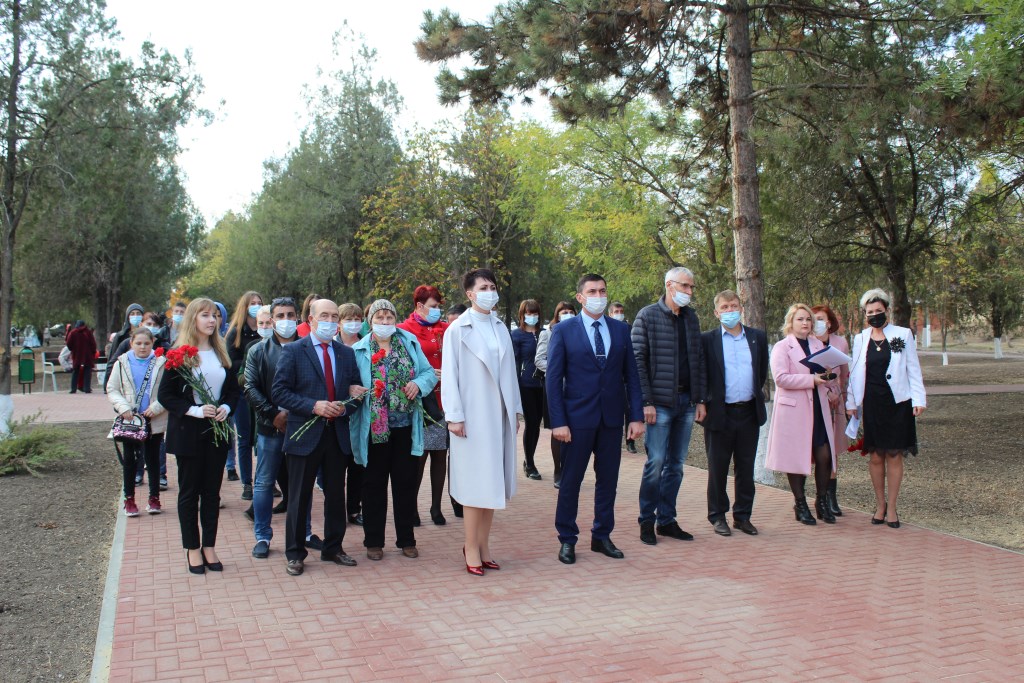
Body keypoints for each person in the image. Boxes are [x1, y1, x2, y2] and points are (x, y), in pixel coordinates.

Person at [547, 274, 644, 565]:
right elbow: (553, 380)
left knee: (608, 481)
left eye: (602, 291)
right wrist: (558, 422)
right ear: (580, 297)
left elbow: (632, 376)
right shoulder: (564, 331)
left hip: (611, 419)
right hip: (576, 420)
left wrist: (636, 416)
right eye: (592, 291)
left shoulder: (621, 329)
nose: (598, 296)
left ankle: (602, 535)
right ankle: (567, 538)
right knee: (571, 482)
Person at [272, 298, 365, 576]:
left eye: (334, 316)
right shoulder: (294, 351)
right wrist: (314, 406)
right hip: (304, 434)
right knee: (299, 497)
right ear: (311, 320)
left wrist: (347, 404)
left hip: (336, 434)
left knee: (336, 495)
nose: (330, 321)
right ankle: (295, 553)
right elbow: (279, 392)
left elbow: (355, 392)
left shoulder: (346, 353)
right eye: (324, 316)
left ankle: (333, 548)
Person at [442, 270, 522, 575]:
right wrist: (454, 416)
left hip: (499, 415)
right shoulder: (457, 329)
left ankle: (484, 545)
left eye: (493, 287)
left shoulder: (500, 327)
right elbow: (450, 375)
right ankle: (470, 546)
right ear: (470, 294)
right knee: (475, 486)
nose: (490, 292)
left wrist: (515, 411)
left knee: (493, 484)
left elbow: (510, 372)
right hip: (471, 417)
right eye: (483, 287)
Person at [157, 298, 240, 574]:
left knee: (212, 493)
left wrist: (226, 408)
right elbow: (166, 395)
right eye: (205, 315)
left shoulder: (221, 352)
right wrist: (194, 410)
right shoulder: (179, 354)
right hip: (189, 432)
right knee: (190, 492)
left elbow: (233, 391)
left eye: (214, 315)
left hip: (217, 431)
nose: (211, 320)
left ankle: (209, 546)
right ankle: (192, 548)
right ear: (193, 318)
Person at [351, 299, 438, 561]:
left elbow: (428, 373)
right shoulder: (359, 349)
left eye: (389, 317)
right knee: (373, 485)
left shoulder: (409, 342)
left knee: (405, 483)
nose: (385, 322)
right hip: (374, 428)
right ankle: (373, 541)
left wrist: (418, 384)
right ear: (370, 321)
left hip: (405, 426)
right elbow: (349, 381)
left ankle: (406, 539)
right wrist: (352, 389)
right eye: (380, 318)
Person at [631, 267, 707, 545]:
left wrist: (700, 399)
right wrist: (646, 402)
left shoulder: (691, 318)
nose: (689, 291)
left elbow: (698, 360)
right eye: (684, 286)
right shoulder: (647, 316)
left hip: (686, 403)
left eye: (691, 287)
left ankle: (666, 520)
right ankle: (646, 520)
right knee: (656, 463)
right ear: (669, 285)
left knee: (676, 465)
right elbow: (637, 362)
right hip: (659, 404)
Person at [245, 298, 318, 558]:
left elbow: (315, 385)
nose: (285, 320)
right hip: (270, 427)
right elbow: (251, 387)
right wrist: (273, 414)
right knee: (264, 483)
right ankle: (262, 536)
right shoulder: (258, 351)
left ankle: (305, 532)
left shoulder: (309, 347)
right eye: (280, 315)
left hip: (302, 426)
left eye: (290, 315)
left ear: (297, 317)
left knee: (303, 483)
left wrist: (300, 412)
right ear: (272, 320)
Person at [846, 289, 926, 529]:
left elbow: (913, 369)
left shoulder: (902, 334)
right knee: (875, 455)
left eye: (878, 311)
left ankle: (892, 507)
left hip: (898, 403)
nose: (874, 315)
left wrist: (918, 399)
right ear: (864, 314)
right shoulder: (860, 339)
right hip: (872, 403)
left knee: (894, 454)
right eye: (869, 312)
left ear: (887, 311)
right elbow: (854, 372)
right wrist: (851, 402)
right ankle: (879, 505)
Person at [699, 290, 768, 536]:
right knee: (718, 467)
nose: (730, 311)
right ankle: (718, 516)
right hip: (720, 413)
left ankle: (743, 516)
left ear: (741, 309)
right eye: (725, 307)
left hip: (748, 411)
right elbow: (702, 374)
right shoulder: (707, 340)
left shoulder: (757, 337)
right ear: (716, 313)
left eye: (734, 306)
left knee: (746, 467)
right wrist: (703, 402)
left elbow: (761, 372)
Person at [765, 304, 838, 525]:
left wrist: (828, 377)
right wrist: (811, 380)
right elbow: (780, 378)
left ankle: (821, 500)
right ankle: (800, 503)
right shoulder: (782, 347)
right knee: (796, 457)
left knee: (824, 455)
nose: (805, 323)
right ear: (791, 322)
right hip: (794, 410)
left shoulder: (818, 344)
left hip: (818, 406)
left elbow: (826, 372)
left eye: (808, 319)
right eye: (800, 319)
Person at [397, 285, 451, 526]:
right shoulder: (404, 330)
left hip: (443, 401)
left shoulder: (446, 329)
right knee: (418, 457)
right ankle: (411, 507)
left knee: (440, 454)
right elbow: (400, 364)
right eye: (433, 306)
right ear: (419, 306)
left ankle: (436, 507)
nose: (437, 310)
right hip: (417, 402)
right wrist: (424, 377)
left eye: (439, 306)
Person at [106, 328, 167, 517]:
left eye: (146, 343)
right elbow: (112, 388)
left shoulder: (161, 362)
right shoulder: (122, 363)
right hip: (131, 420)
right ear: (131, 343)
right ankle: (129, 499)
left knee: (153, 459)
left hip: (153, 419)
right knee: (130, 460)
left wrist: (156, 407)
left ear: (152, 343)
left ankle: (154, 498)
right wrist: (123, 407)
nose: (142, 347)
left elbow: (168, 390)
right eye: (138, 343)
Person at [533, 301, 577, 488]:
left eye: (570, 311)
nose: (567, 314)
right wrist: (557, 371)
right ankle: (558, 470)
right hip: (556, 387)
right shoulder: (548, 332)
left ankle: (569, 469)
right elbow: (539, 360)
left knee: (575, 428)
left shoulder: (579, 331)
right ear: (557, 314)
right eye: (563, 312)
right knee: (557, 428)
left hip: (576, 388)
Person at [812, 304, 850, 517]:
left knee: (833, 448)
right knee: (818, 449)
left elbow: (844, 374)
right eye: (813, 318)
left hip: (836, 402)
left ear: (829, 322)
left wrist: (839, 394)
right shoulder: (808, 342)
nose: (816, 322)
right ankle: (817, 495)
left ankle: (831, 496)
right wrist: (825, 391)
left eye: (820, 318)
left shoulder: (840, 342)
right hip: (815, 399)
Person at [225, 291, 264, 499]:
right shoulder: (236, 333)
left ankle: (264, 479)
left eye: (259, 302)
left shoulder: (266, 330)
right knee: (244, 438)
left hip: (264, 391)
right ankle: (247, 483)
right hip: (242, 392)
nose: (256, 306)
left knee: (263, 438)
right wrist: (254, 363)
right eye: (252, 303)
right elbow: (231, 363)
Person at [338, 303, 366, 526]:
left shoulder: (367, 344)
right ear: (339, 323)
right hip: (338, 414)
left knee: (358, 465)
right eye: (349, 319)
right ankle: (337, 508)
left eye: (357, 319)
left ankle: (354, 509)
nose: (354, 323)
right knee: (338, 467)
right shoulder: (333, 345)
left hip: (362, 413)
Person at [511, 299, 543, 480]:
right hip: (526, 385)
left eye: (535, 313)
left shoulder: (544, 333)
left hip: (543, 384)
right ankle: (530, 463)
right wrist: (515, 384)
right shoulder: (517, 335)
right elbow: (515, 362)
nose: (532, 316)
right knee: (531, 422)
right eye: (529, 313)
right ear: (522, 315)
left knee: (537, 423)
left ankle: (529, 459)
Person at [105, 303, 144, 389]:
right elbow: (113, 359)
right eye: (132, 314)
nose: (135, 316)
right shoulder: (121, 336)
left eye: (138, 313)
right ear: (128, 317)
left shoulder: (148, 336)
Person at [66, 320, 98, 394]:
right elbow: (93, 344)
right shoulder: (87, 332)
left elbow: (68, 343)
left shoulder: (73, 332)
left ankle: (73, 388)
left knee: (75, 371)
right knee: (87, 371)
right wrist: (93, 352)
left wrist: (73, 349)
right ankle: (87, 388)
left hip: (77, 354)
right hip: (87, 354)